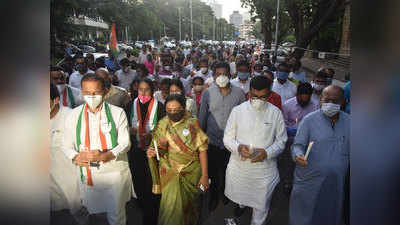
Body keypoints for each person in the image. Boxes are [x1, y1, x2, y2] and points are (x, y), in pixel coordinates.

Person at [62, 73, 133, 225]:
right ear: (81, 92)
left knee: (116, 215)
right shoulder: (73, 115)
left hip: (114, 172)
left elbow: (125, 143)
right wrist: (75, 156)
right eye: (87, 93)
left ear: (105, 92)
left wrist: (106, 155)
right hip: (89, 174)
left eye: (96, 93)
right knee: (92, 213)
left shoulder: (117, 112)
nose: (92, 96)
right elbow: (66, 145)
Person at [223, 76, 287, 225]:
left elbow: (281, 141)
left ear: (270, 94)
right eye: (254, 96)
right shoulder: (238, 111)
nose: (257, 100)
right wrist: (238, 147)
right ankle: (241, 205)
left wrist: (267, 153)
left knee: (261, 204)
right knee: (241, 195)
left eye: (262, 97)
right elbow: (227, 138)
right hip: (241, 167)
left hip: (263, 170)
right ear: (249, 93)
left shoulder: (275, 113)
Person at [289, 85, 350, 225]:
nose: (330, 104)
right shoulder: (309, 120)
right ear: (320, 100)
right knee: (304, 214)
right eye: (326, 100)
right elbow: (297, 145)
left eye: (335, 101)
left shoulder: (350, 122)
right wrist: (298, 155)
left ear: (343, 102)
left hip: (336, 181)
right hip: (310, 178)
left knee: (330, 212)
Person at [147, 94, 209, 225]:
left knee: (189, 207)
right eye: (169, 110)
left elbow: (202, 150)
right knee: (170, 208)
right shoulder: (162, 124)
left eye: (176, 110)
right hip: (169, 172)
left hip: (191, 171)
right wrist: (154, 151)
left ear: (183, 108)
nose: (172, 113)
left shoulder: (192, 123)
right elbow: (156, 148)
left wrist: (204, 175)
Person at [198, 61, 246, 211]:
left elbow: (244, 117)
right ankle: (212, 196)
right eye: (218, 74)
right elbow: (202, 118)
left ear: (230, 75)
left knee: (228, 171)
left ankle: (226, 193)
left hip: (231, 142)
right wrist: (200, 142)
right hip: (212, 141)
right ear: (213, 76)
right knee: (211, 171)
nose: (222, 77)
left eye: (224, 74)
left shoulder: (239, 93)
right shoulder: (207, 93)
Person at [124, 78, 165, 225]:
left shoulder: (159, 107)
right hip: (136, 151)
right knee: (138, 179)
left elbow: (164, 129)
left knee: (152, 180)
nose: (143, 92)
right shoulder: (130, 105)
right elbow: (123, 126)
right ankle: (142, 202)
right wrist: (130, 130)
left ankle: (152, 210)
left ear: (152, 91)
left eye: (146, 89)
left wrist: (151, 134)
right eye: (140, 89)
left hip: (153, 151)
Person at [50, 84, 87, 225]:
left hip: (72, 182)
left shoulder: (71, 116)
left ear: (55, 100)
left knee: (79, 216)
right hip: (49, 183)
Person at [279, 82, 319, 194]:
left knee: (306, 161)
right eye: (301, 98)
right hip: (291, 138)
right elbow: (282, 123)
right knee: (289, 161)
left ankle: (304, 182)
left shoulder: (316, 105)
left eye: (306, 99)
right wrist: (291, 131)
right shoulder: (287, 105)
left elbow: (317, 123)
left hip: (309, 139)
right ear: (296, 95)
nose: (303, 101)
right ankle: (288, 181)